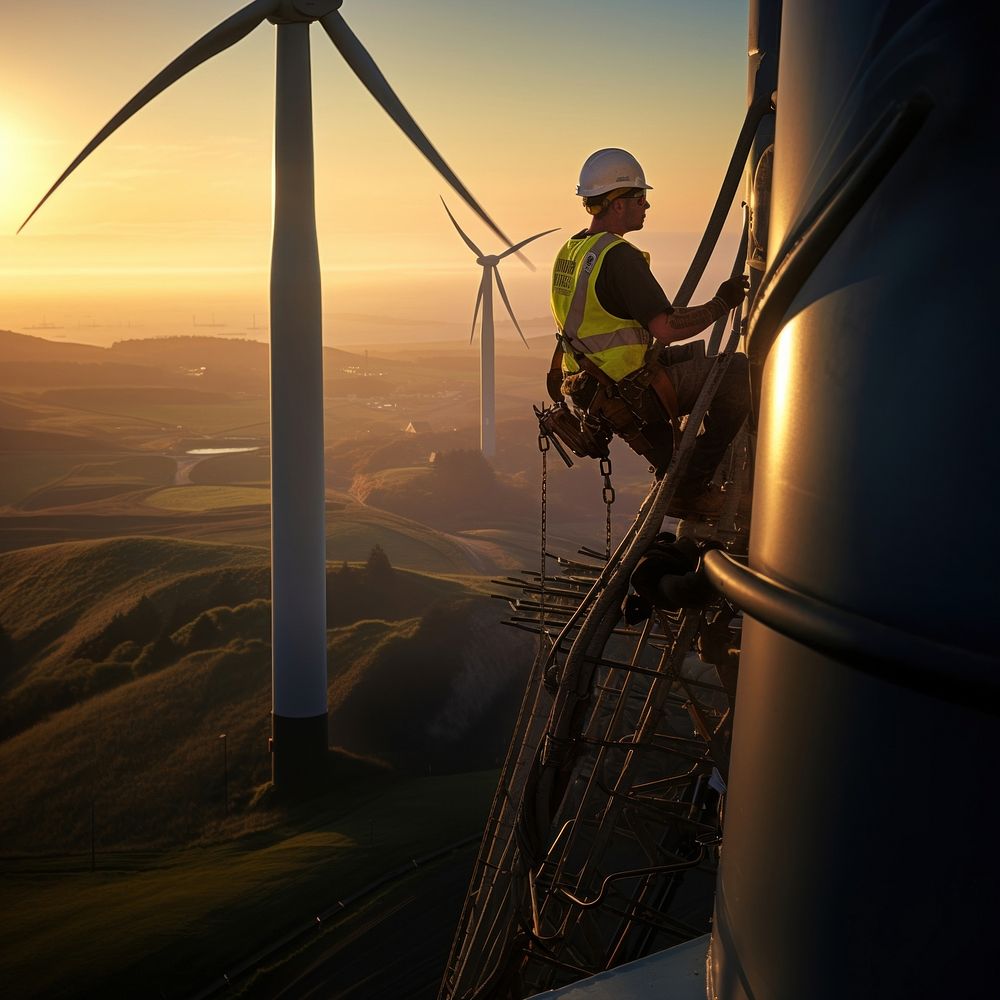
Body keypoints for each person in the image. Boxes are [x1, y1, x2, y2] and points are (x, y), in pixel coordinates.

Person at [549, 147, 750, 517]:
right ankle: (689, 489)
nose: (646, 205)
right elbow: (666, 327)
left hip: (592, 390)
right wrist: (722, 302)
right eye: (640, 197)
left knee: (695, 358)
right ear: (617, 203)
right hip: (626, 391)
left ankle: (676, 471)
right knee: (738, 374)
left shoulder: (572, 251)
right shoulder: (619, 257)